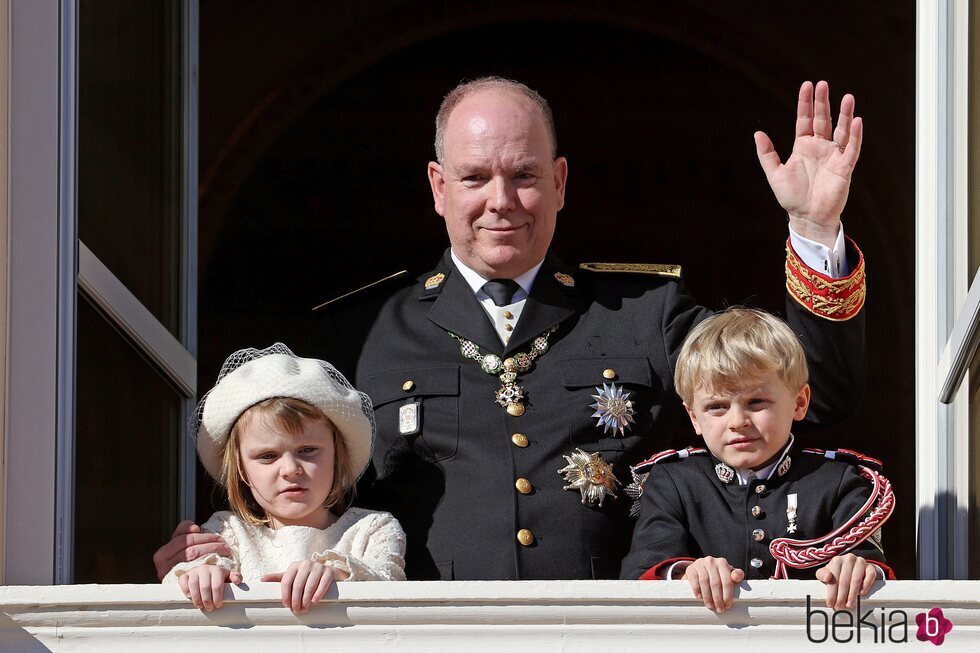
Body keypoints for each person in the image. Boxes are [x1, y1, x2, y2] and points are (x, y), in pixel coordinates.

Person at [155, 77, 868, 581]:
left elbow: (817, 390)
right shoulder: (360, 333)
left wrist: (813, 229)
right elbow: (294, 484)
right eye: (475, 178)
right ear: (439, 187)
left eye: (524, 175)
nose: (502, 201)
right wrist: (218, 550)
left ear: (560, 182)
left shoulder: (643, 312)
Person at [619, 309, 894, 612]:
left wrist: (857, 569)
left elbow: (873, 567)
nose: (738, 421)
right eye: (717, 406)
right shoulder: (673, 482)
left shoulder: (839, 479)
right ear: (694, 418)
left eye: (756, 402)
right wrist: (686, 572)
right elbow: (642, 575)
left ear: (800, 402)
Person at [162, 343, 406, 613]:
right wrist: (199, 576)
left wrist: (338, 575)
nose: (291, 468)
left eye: (308, 450)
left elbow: (389, 584)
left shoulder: (371, 529)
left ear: (337, 455)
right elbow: (189, 572)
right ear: (241, 470)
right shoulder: (227, 531)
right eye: (267, 456)